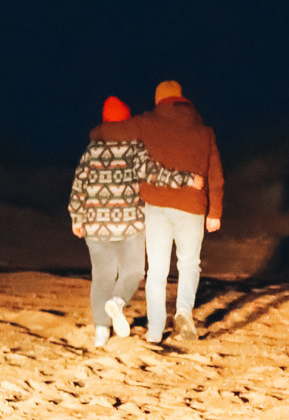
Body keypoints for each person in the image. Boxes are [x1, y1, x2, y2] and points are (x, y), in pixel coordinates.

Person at [69, 96, 202, 348]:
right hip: (129, 223)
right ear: (128, 120)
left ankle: (101, 332)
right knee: (134, 271)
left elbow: (79, 186)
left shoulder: (91, 151)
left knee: (102, 277)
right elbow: (154, 173)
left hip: (95, 225)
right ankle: (118, 301)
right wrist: (187, 179)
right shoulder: (134, 148)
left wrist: (77, 217)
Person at [130, 79, 225, 343]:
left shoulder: (147, 124)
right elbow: (215, 175)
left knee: (157, 270)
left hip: (157, 205)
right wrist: (215, 212)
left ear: (159, 100)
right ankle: (183, 312)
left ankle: (155, 329)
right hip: (193, 207)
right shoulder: (204, 131)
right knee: (189, 263)